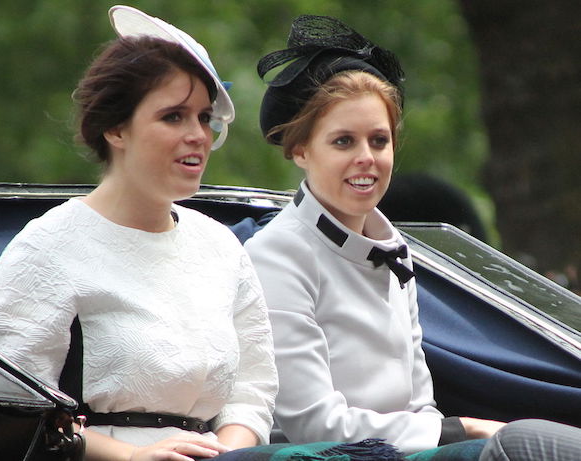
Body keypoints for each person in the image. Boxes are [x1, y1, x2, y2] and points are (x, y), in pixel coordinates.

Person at [244, 14, 581, 460]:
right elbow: (315, 423)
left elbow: (420, 403)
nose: (367, 158)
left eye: (379, 141)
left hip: (407, 449)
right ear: (301, 150)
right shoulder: (275, 254)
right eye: (344, 142)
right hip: (337, 453)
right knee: (527, 442)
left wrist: (442, 430)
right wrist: (459, 429)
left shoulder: (396, 250)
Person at [0, 6, 277, 461]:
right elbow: (8, 413)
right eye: (174, 117)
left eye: (204, 117)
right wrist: (131, 457)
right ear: (116, 128)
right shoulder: (46, 248)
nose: (197, 134)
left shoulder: (220, 247)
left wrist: (228, 455)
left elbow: (252, 389)